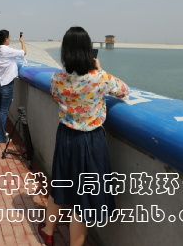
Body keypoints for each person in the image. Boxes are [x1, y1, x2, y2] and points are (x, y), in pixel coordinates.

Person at [37, 27, 130, 246]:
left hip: (65, 137)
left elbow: (56, 97)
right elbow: (124, 91)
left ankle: (48, 231)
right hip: (90, 141)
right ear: (88, 51)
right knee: (83, 201)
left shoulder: (57, 78)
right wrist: (99, 68)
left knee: (60, 184)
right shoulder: (99, 78)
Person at [0, 30, 26, 143]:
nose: (10, 39)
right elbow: (23, 52)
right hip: (7, 85)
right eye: (9, 37)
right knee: (3, 112)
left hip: (0, 84)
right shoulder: (7, 50)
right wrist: (22, 42)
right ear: (6, 39)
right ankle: (1, 137)